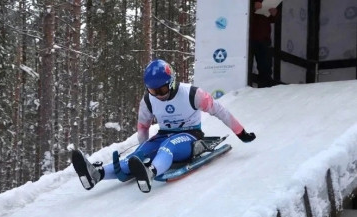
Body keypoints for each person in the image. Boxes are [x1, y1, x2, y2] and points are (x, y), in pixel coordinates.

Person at [72, 59, 256, 193]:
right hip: (163, 134)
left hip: (190, 135)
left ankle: (151, 172)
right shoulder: (148, 100)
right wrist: (141, 152)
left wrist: (240, 132)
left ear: (172, 82)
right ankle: (97, 173)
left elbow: (219, 110)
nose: (158, 95)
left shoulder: (193, 94)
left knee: (169, 146)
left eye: (162, 90)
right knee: (138, 154)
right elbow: (143, 127)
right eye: (153, 91)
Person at [249, 0, 279, 88]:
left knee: (265, 69)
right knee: (245, 70)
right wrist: (252, 6)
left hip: (264, 39)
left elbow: (272, 19)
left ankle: (264, 95)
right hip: (246, 38)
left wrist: (275, 13)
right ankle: (243, 95)